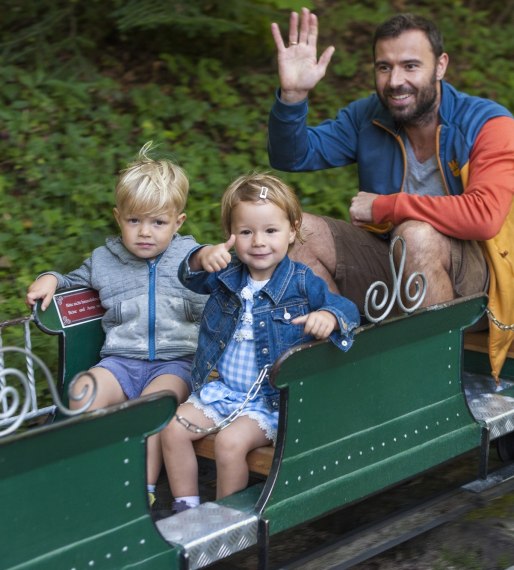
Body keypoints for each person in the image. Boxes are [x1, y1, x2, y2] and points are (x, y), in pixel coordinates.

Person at [268, 9, 514, 381]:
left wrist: (386, 206)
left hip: (480, 281)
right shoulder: (369, 116)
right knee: (301, 232)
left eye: (410, 66)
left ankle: (432, 389)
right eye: (384, 67)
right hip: (393, 263)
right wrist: (293, 95)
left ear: (440, 66)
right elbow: (293, 154)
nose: (395, 81)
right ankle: (343, 372)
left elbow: (484, 216)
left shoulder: (488, 124)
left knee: (415, 234)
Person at [160, 172, 359, 514]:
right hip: (221, 391)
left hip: (267, 403)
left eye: (271, 231)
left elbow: (347, 310)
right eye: (246, 232)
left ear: (292, 230)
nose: (258, 242)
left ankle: (226, 519)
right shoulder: (226, 275)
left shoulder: (300, 282)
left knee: (229, 444)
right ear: (231, 235)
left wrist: (328, 316)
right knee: (172, 431)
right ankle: (187, 510)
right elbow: (190, 277)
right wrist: (200, 257)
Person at [25, 142, 208, 505]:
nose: (145, 232)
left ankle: (142, 491)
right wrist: (51, 278)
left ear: (178, 222)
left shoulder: (192, 258)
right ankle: (92, 473)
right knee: (83, 391)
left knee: (153, 404)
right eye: (134, 221)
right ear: (118, 217)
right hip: (121, 361)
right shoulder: (104, 260)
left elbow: (223, 296)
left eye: (158, 223)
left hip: (176, 362)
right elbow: (73, 280)